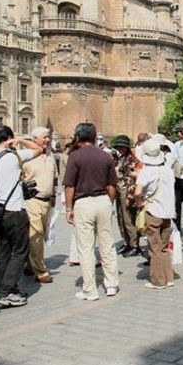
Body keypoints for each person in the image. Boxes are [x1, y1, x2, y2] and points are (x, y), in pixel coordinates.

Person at [64, 123, 120, 300]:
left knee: (86, 248)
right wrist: (109, 202)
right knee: (107, 244)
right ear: (95, 138)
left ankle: (90, 289)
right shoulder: (106, 156)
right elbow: (112, 184)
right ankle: (111, 284)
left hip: (83, 202)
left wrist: (68, 208)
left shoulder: (75, 157)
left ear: (78, 138)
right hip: (103, 200)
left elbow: (69, 186)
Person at [0, 126, 43, 308]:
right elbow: (39, 149)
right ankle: (7, 291)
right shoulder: (13, 156)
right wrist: (19, 140)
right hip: (14, 210)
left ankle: (6, 288)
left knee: (3, 252)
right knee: (20, 251)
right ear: (9, 138)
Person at [134, 138, 176, 289]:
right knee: (164, 247)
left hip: (153, 211)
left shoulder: (146, 171)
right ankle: (169, 277)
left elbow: (137, 192)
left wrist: (139, 203)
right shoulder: (168, 170)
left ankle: (158, 280)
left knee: (155, 247)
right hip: (167, 212)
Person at [23, 127, 58, 284]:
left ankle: (30, 264)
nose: (48, 140)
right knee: (36, 234)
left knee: (40, 234)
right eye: (44, 137)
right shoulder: (27, 156)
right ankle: (40, 271)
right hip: (32, 200)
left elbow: (54, 177)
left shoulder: (50, 155)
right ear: (34, 139)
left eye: (48, 137)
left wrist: (54, 195)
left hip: (47, 201)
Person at [112, 135, 141, 257]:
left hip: (127, 190)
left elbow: (134, 178)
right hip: (119, 189)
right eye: (119, 146)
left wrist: (130, 195)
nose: (121, 149)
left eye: (122, 146)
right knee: (121, 218)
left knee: (129, 219)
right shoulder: (120, 157)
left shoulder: (131, 159)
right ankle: (126, 242)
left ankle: (135, 245)